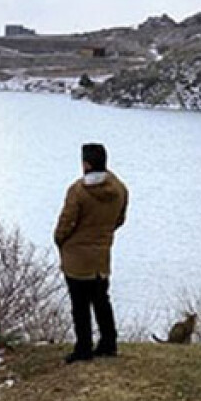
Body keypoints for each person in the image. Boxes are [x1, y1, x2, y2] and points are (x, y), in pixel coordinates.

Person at [54, 143, 128, 363]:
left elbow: (65, 224)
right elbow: (120, 219)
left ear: (85, 164)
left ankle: (84, 348)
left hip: (77, 256)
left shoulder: (77, 191)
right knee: (101, 299)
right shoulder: (119, 189)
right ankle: (108, 343)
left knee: (80, 304)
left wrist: (60, 240)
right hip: (102, 254)